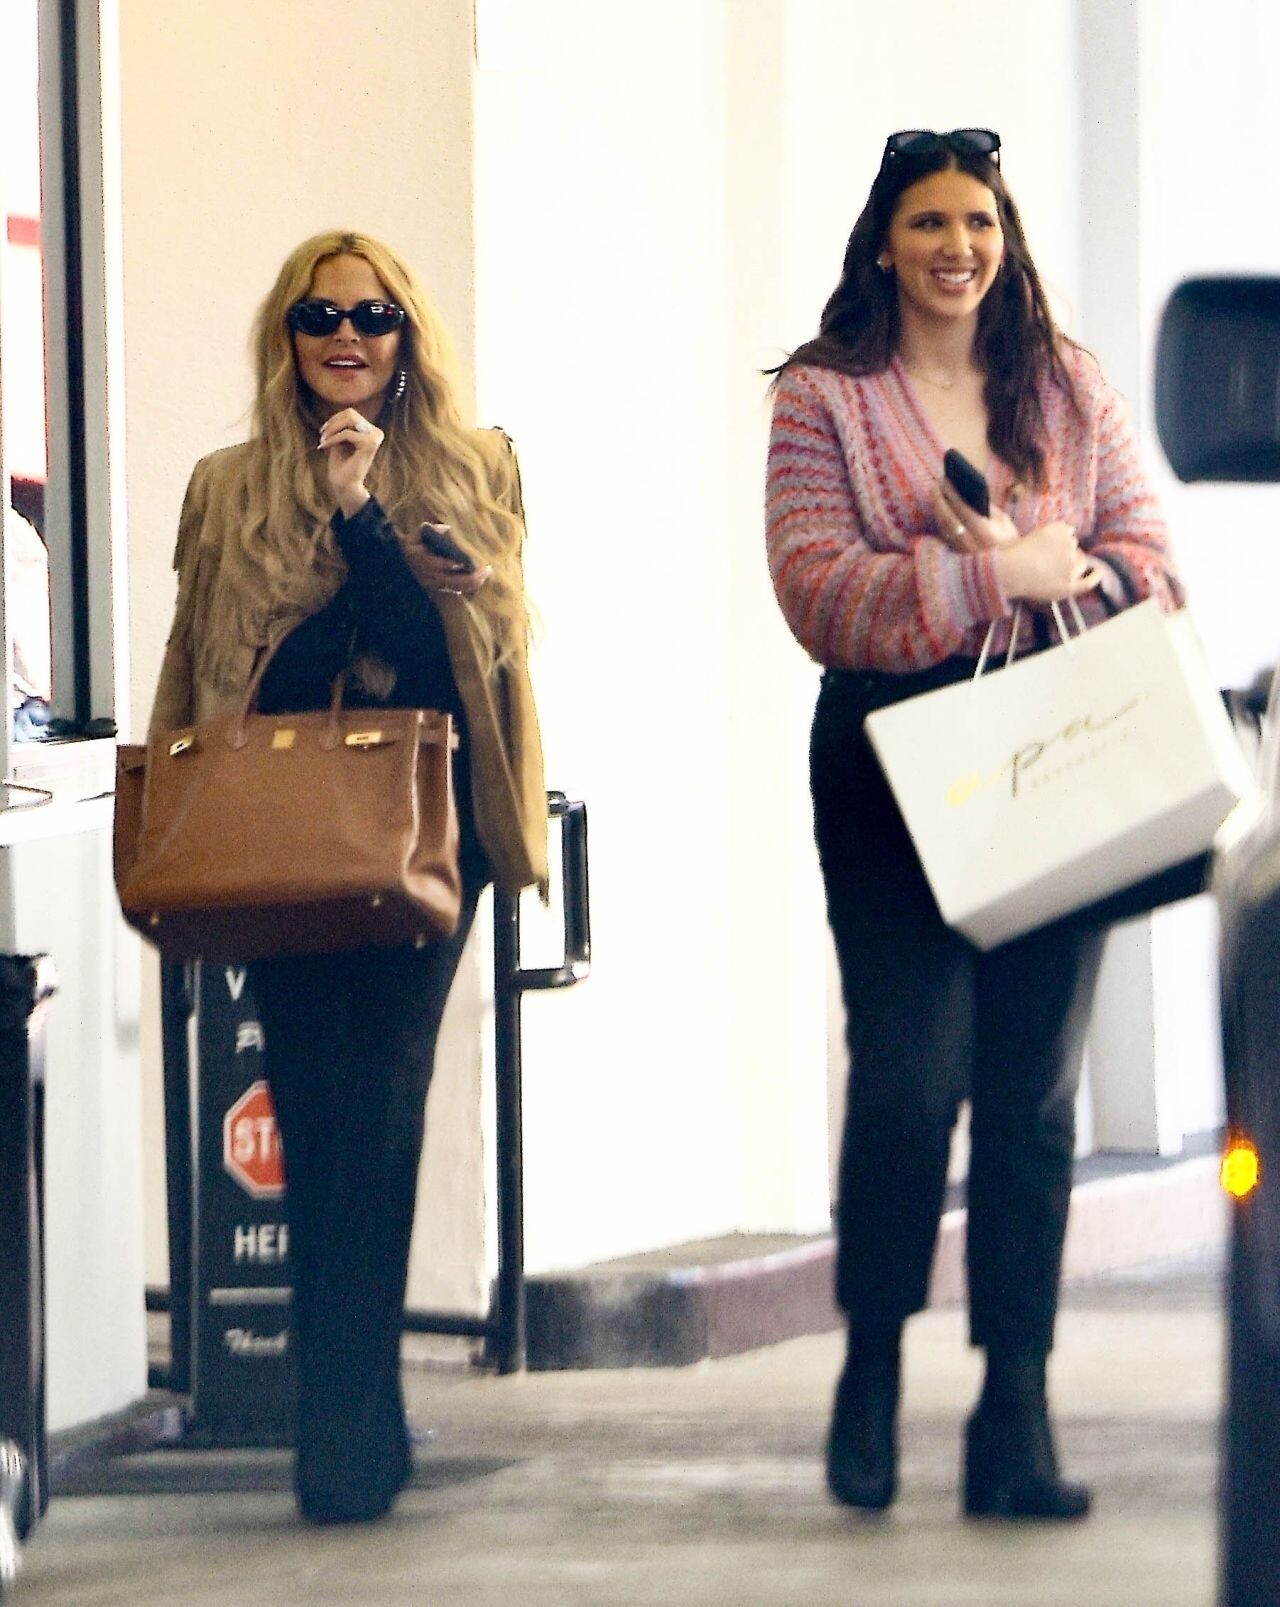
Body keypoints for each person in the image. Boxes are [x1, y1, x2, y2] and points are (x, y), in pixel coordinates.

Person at [765, 129, 1183, 1521]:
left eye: (979, 223)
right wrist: (985, 580)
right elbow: (817, 592)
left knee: (1033, 1101)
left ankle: (1017, 1414)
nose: (958, 247)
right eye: (930, 223)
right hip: (893, 765)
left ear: (1005, 239)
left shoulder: (1064, 382)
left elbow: (1151, 564)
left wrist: (1062, 569)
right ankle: (873, 1365)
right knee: (907, 1082)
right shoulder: (824, 395)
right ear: (885, 244)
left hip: (1056, 751)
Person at [149, 230, 547, 1524]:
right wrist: (343, 531)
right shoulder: (227, 491)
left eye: (373, 316)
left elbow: (449, 665)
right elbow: (229, 673)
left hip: (423, 844)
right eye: (319, 317)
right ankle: (346, 1424)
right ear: (287, 339)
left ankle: (349, 1431)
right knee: (313, 1125)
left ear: (407, 338)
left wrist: (366, 517)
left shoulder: (477, 469)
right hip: (285, 841)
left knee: (380, 1117)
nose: (346, 337)